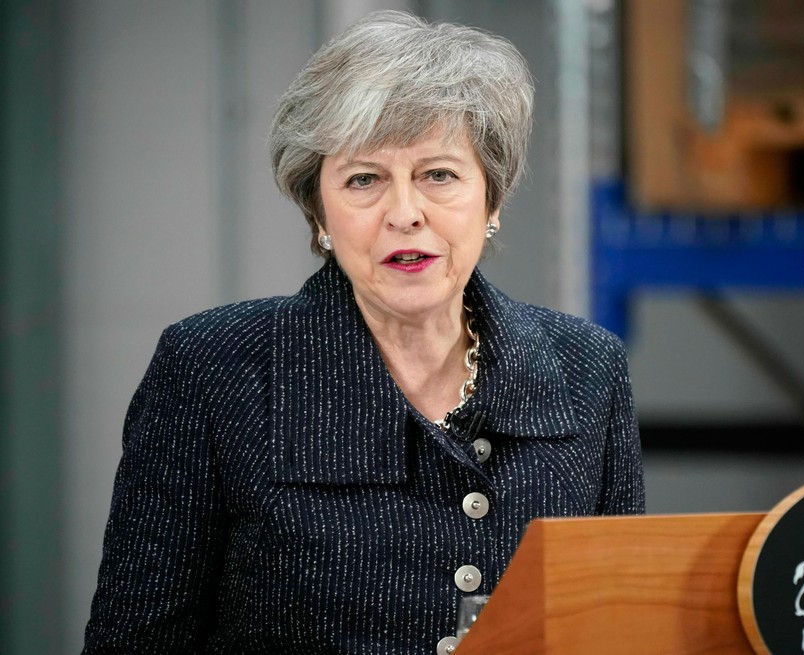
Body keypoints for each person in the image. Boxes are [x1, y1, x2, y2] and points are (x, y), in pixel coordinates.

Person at [83, 10, 644, 655]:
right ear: (318, 213)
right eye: (364, 179)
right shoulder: (210, 369)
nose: (405, 214)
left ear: (491, 200)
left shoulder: (586, 368)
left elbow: (622, 630)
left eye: (439, 174)